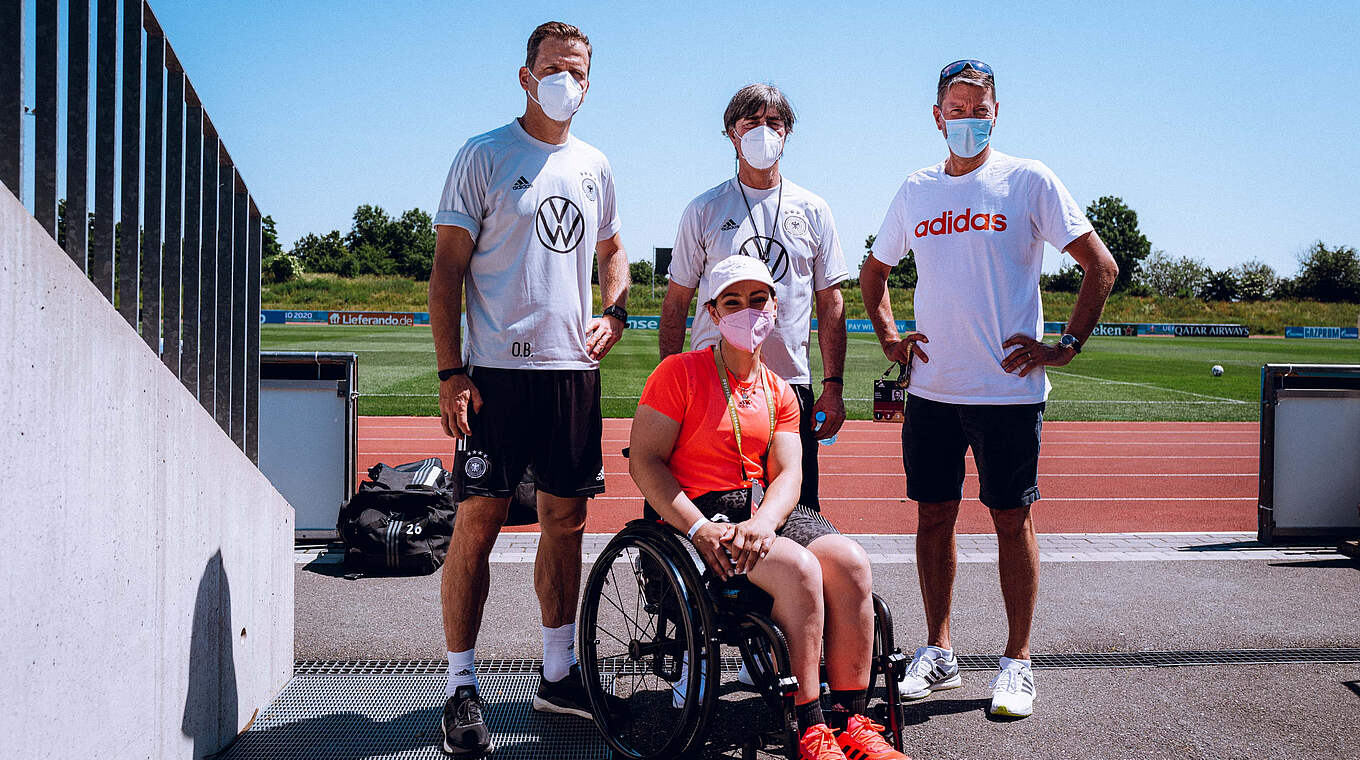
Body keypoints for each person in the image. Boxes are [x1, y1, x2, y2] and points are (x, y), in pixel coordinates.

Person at [859, 59, 1118, 719]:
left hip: (1009, 394)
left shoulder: (1028, 180)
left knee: (1012, 519)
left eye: (981, 107)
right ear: (937, 116)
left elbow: (1100, 266)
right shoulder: (916, 191)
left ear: (996, 114)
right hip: (933, 391)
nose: (968, 118)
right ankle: (939, 651)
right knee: (933, 516)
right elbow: (873, 272)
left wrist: (1065, 348)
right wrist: (891, 338)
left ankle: (1016, 662)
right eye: (958, 106)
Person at [428, 21, 630, 757]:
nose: (563, 80)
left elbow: (614, 253)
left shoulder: (596, 165)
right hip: (496, 378)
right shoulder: (483, 155)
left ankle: (556, 670)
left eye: (575, 70)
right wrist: (452, 372)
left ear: (588, 81)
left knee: (566, 521)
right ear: (525, 76)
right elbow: (446, 272)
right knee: (476, 525)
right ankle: (459, 686)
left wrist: (613, 310)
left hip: (571, 374)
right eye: (551, 68)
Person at [632, 256, 907, 760]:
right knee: (800, 569)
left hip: (761, 510)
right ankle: (810, 725)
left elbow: (790, 474)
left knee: (850, 561)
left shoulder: (779, 390)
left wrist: (763, 522)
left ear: (775, 308)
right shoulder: (679, 373)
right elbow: (645, 463)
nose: (747, 311)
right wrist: (697, 528)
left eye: (758, 299)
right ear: (713, 314)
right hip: (699, 514)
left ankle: (854, 720)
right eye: (732, 302)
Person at [661, 83, 849, 518]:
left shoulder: (814, 209)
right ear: (732, 133)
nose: (763, 132)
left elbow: (831, 303)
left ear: (788, 133)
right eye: (751, 123)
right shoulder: (705, 209)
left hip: (789, 386)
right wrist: (671, 383)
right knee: (714, 508)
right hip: (715, 386)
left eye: (774, 123)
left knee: (797, 512)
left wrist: (833, 387)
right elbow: (676, 302)